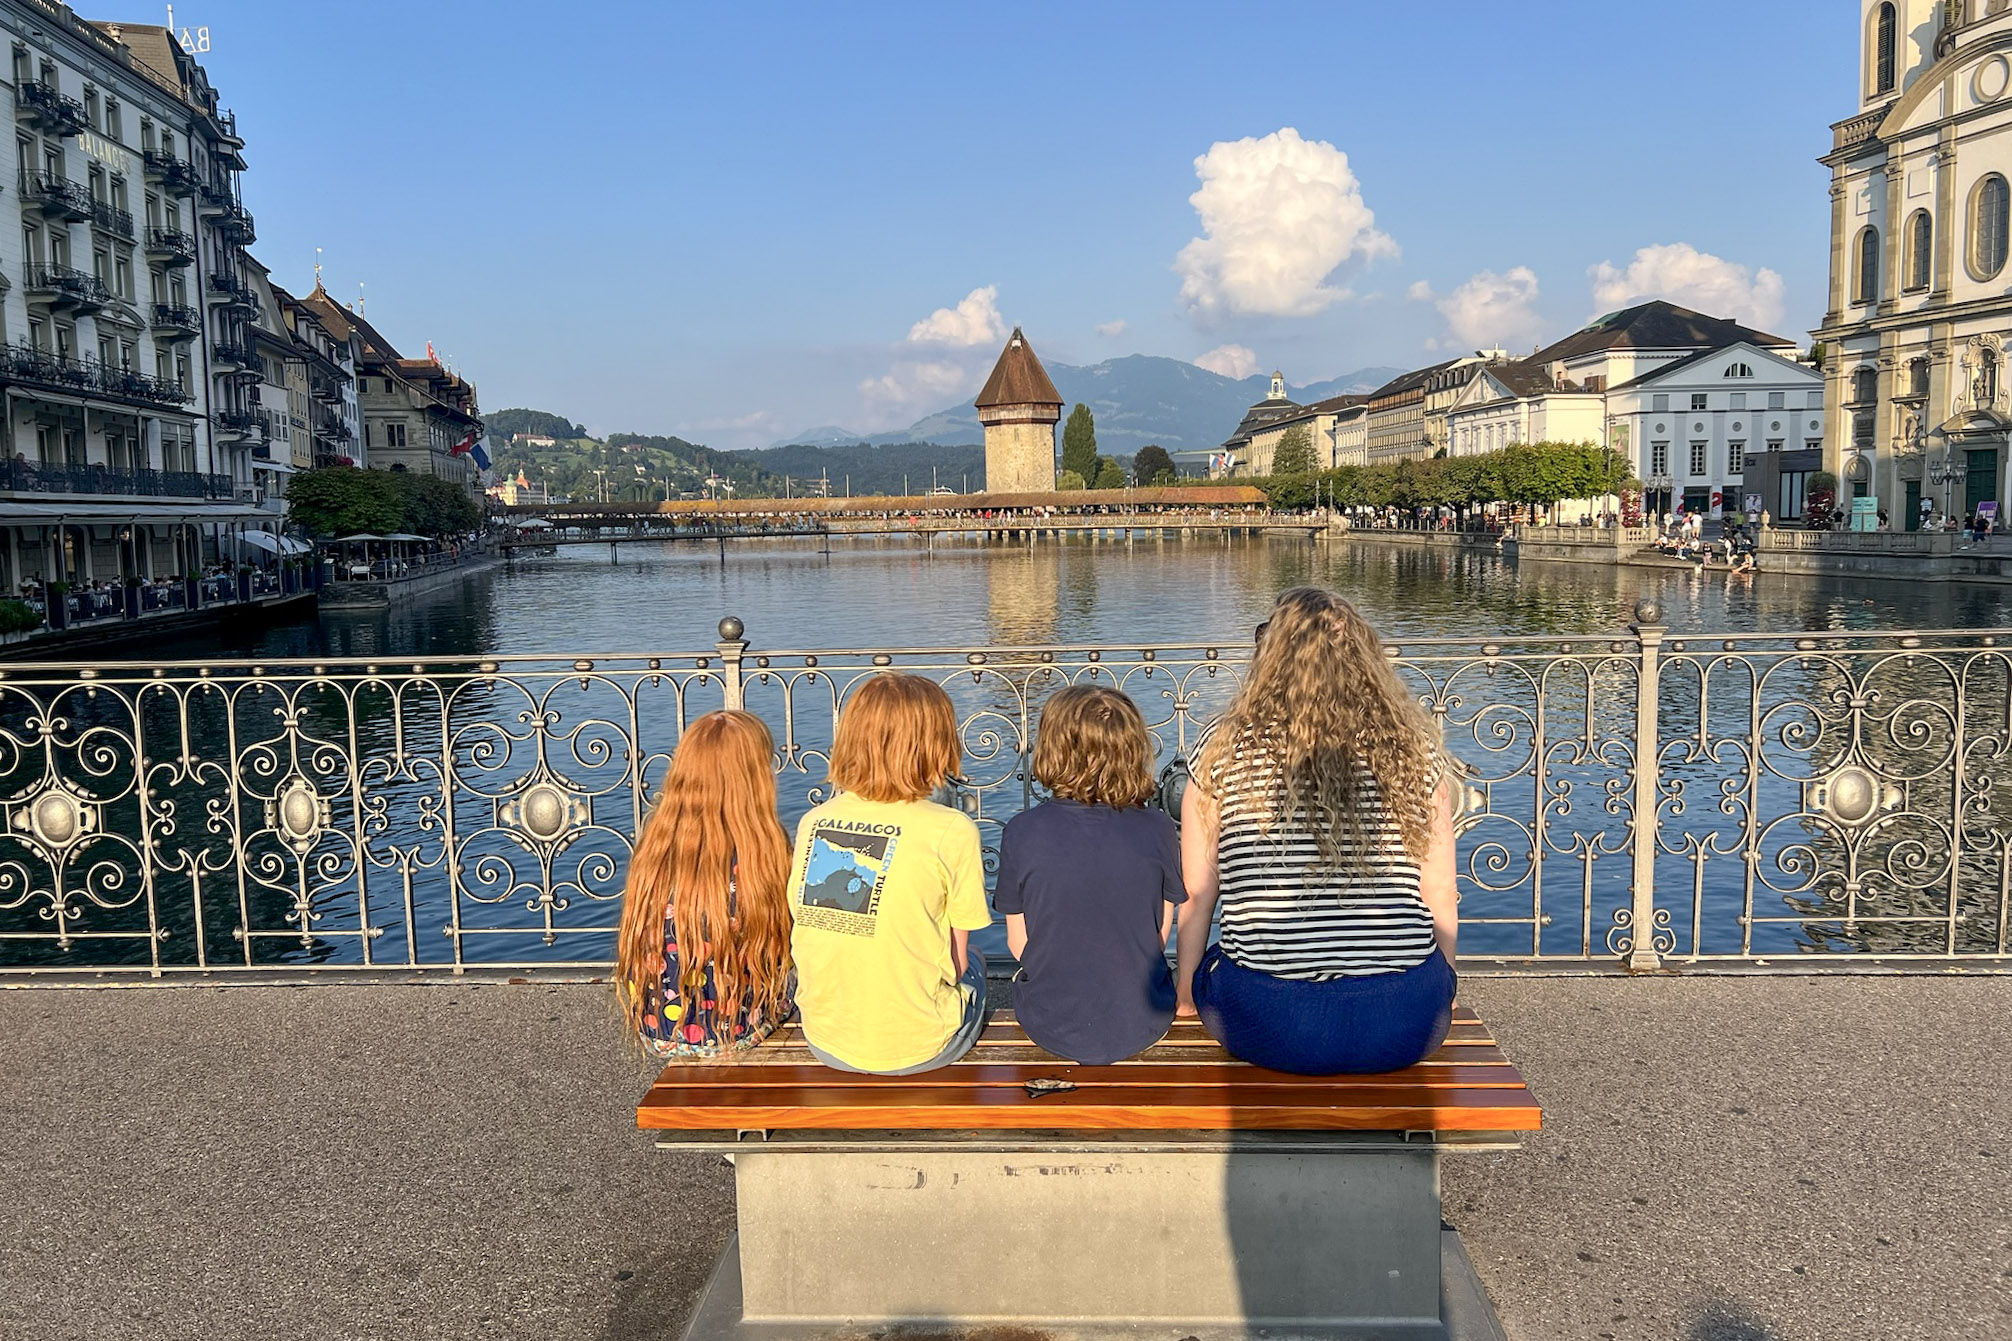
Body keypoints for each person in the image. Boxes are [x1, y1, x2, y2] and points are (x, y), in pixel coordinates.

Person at [1176, 587, 1459, 1076]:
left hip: (1271, 1020)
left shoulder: (1222, 749)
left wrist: (1185, 997)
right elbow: (1441, 892)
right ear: (1365, 658)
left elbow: (1198, 895)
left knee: (1223, 965)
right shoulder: (1413, 750)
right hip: (1407, 1021)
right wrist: (1441, 993)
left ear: (1269, 658)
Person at [788, 673, 992, 1074]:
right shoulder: (951, 829)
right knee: (979, 967)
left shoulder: (815, 821)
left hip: (825, 1039)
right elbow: (956, 961)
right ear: (938, 743)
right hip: (921, 1047)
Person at [994, 685, 1184, 1065]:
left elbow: (1019, 945)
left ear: (1051, 748)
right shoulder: (1159, 828)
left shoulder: (1022, 830)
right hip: (1144, 1020)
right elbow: (1159, 935)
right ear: (1134, 750)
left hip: (1049, 1025)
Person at [614, 710, 795, 1058]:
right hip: (740, 1029)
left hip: (658, 1028)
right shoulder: (762, 852)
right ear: (755, 779)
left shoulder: (657, 843)